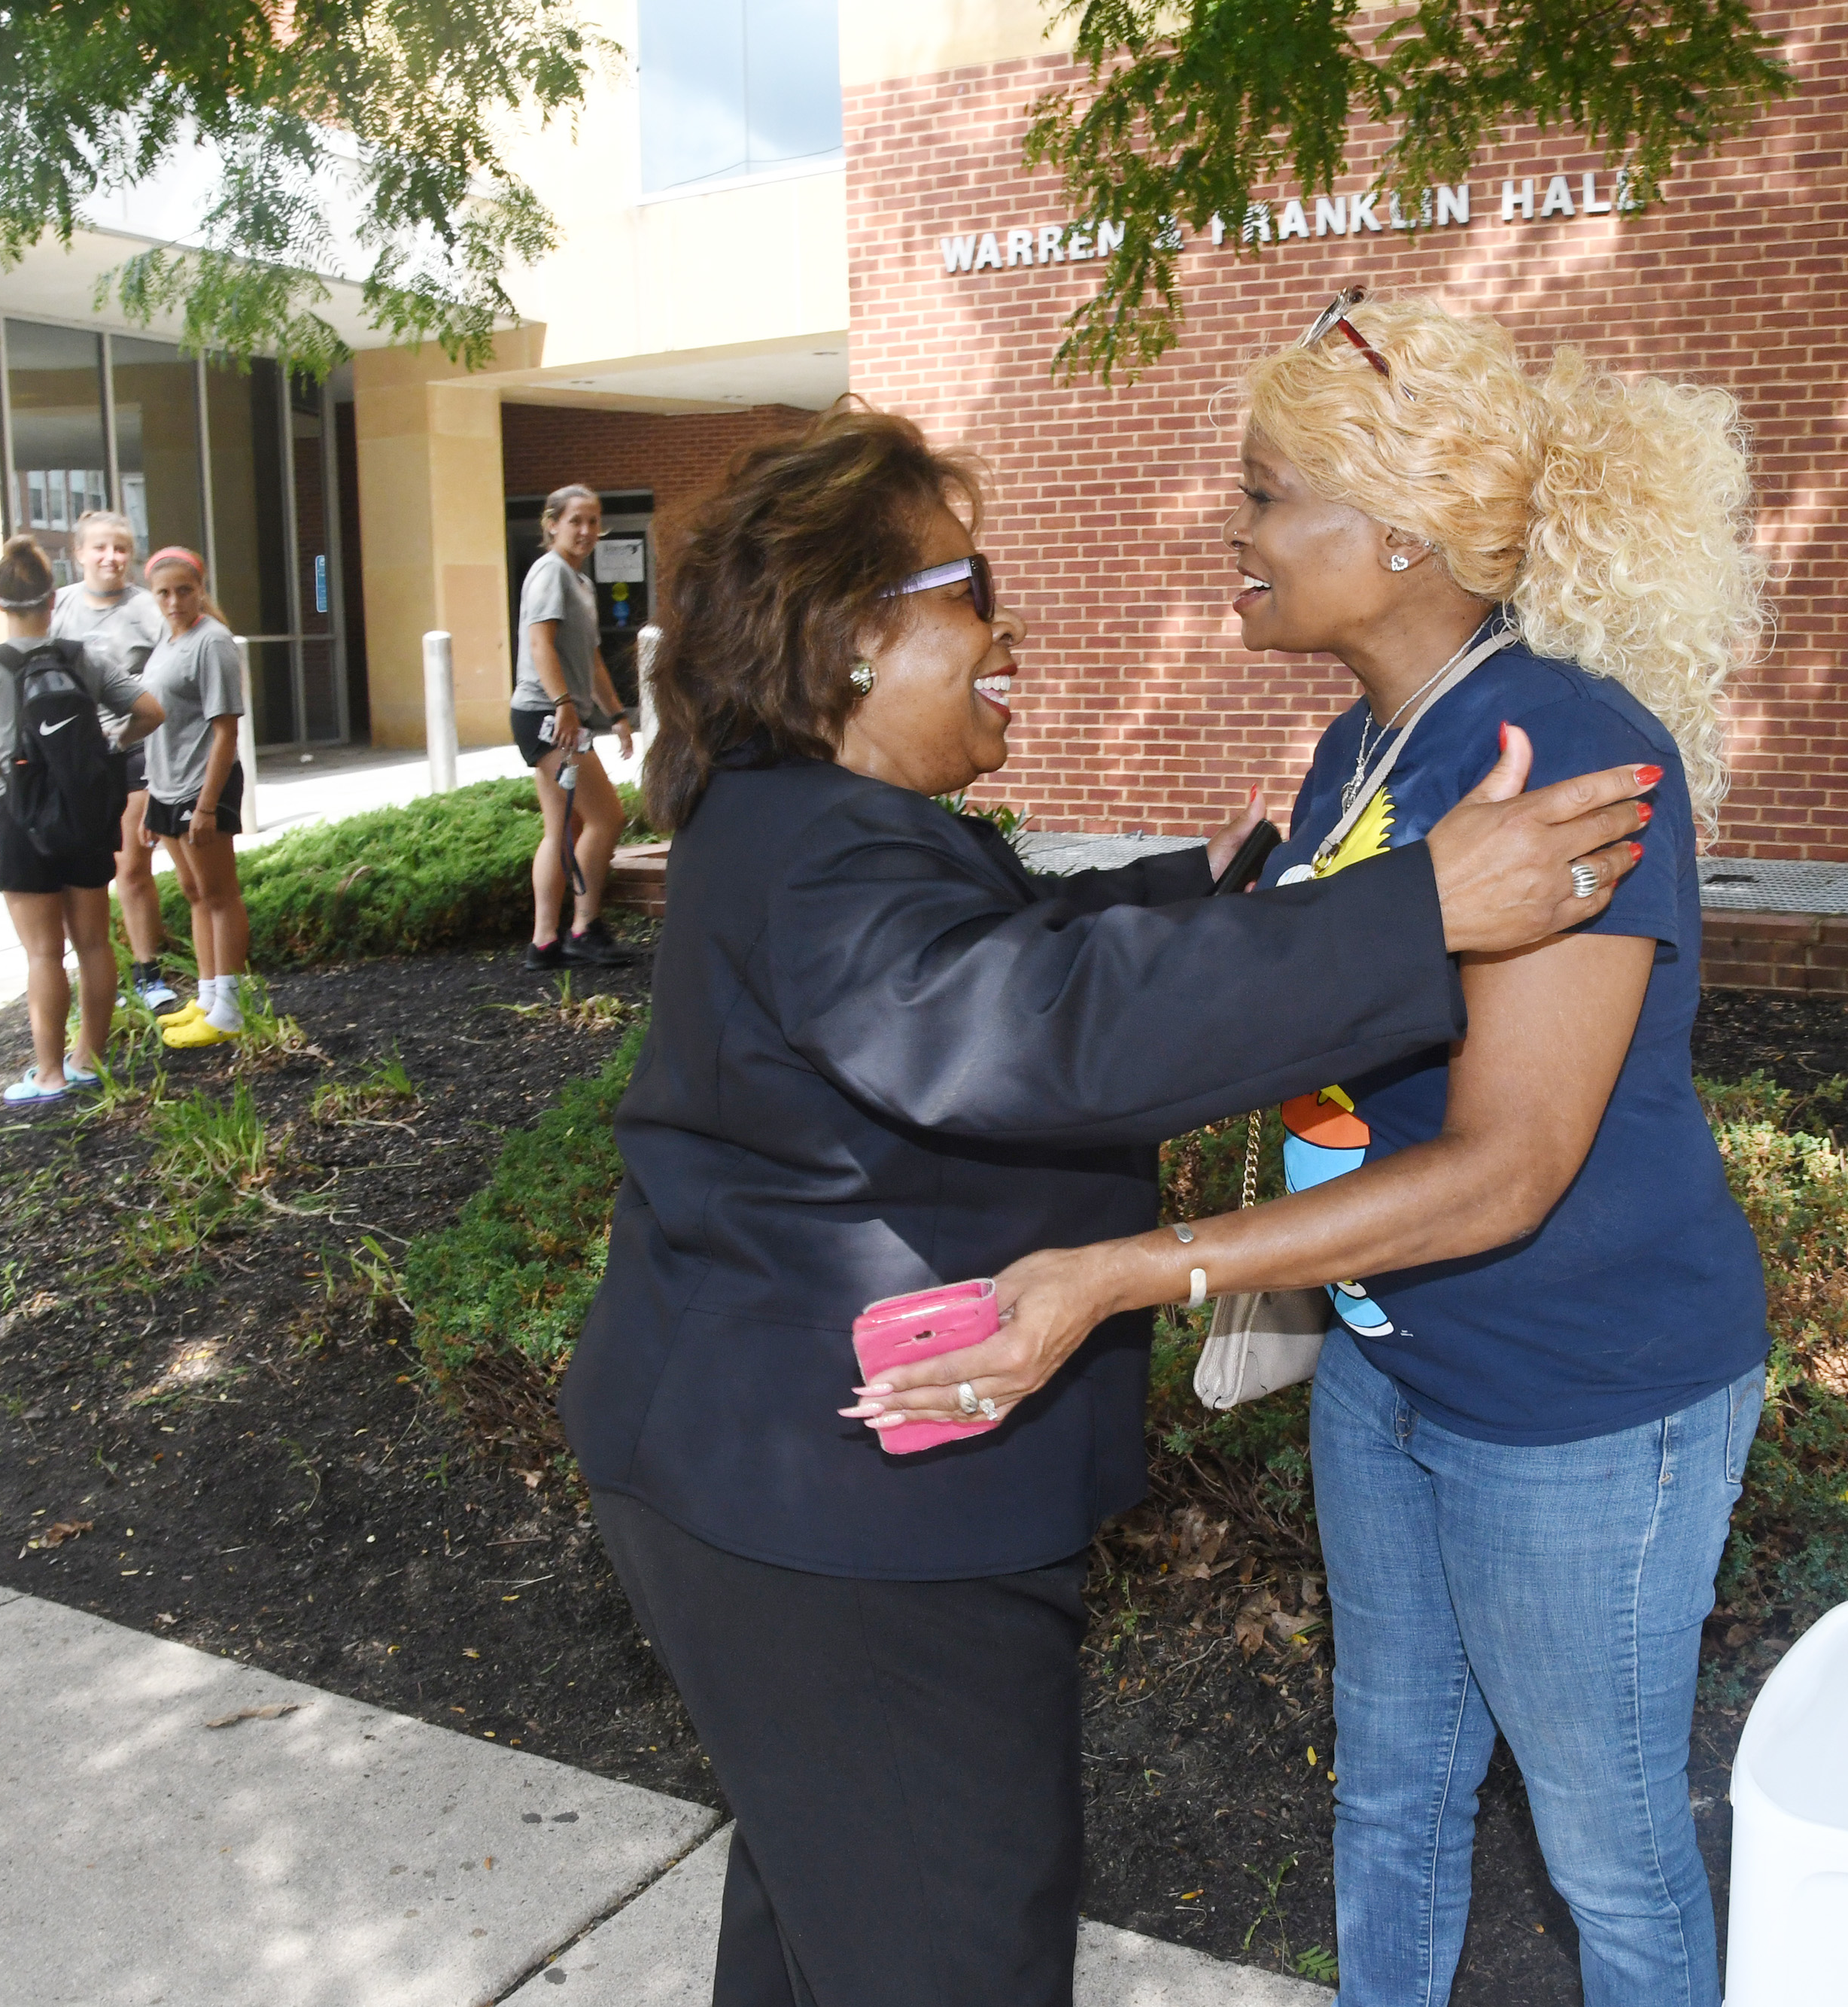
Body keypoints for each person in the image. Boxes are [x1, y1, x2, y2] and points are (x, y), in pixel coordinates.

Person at [557, 402, 1658, 2007]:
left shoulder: (807, 823)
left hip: (772, 1482)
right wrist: (1420, 908)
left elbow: (996, 954)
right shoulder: (822, 860)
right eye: (972, 587)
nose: (1010, 629)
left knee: (827, 1913)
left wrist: (1190, 892)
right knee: (948, 1945)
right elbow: (1031, 1035)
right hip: (840, 1520)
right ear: (857, 634)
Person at [867, 293, 1773, 2007]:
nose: (1237, 529)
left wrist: (1144, 1267)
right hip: (1388, 1358)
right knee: (1393, 1796)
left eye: (1270, 493)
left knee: (1603, 1845)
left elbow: (1508, 1168)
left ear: (1405, 533)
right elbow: (1292, 1003)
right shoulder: (1366, 741)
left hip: (1581, 1397)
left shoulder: (1567, 750)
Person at [0, 534, 163, 1102]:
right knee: (93, 942)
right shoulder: (82, 656)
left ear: (0, 601)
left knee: (43, 953)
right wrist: (112, 743)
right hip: (86, 814)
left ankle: (47, 1076)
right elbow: (150, 710)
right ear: (52, 600)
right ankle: (89, 1060)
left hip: (18, 817)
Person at [48, 510, 179, 1014]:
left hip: (132, 748)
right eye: (100, 548)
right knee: (82, 872)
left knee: (131, 865)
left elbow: (166, 684)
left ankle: (148, 972)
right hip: (71, 757)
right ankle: (100, 974)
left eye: (121, 548)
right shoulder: (57, 607)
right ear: (78, 553)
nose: (112, 558)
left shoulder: (148, 609)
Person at [512, 483, 637, 970]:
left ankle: (544, 943)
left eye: (593, 521)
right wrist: (565, 704)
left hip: (560, 713)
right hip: (548, 714)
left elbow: (592, 658)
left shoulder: (579, 583)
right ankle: (584, 929)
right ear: (552, 524)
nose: (586, 530)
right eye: (576, 520)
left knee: (565, 827)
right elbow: (540, 643)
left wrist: (618, 714)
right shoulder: (550, 572)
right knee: (607, 818)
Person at [135, 548, 252, 1049]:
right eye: (163, 592)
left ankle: (229, 1007)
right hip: (166, 788)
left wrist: (206, 805)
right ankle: (206, 997)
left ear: (201, 588)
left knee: (219, 894)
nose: (174, 600)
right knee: (194, 892)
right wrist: (150, 802)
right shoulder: (167, 640)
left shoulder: (213, 643)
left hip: (201, 787)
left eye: (184, 589)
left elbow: (225, 730)